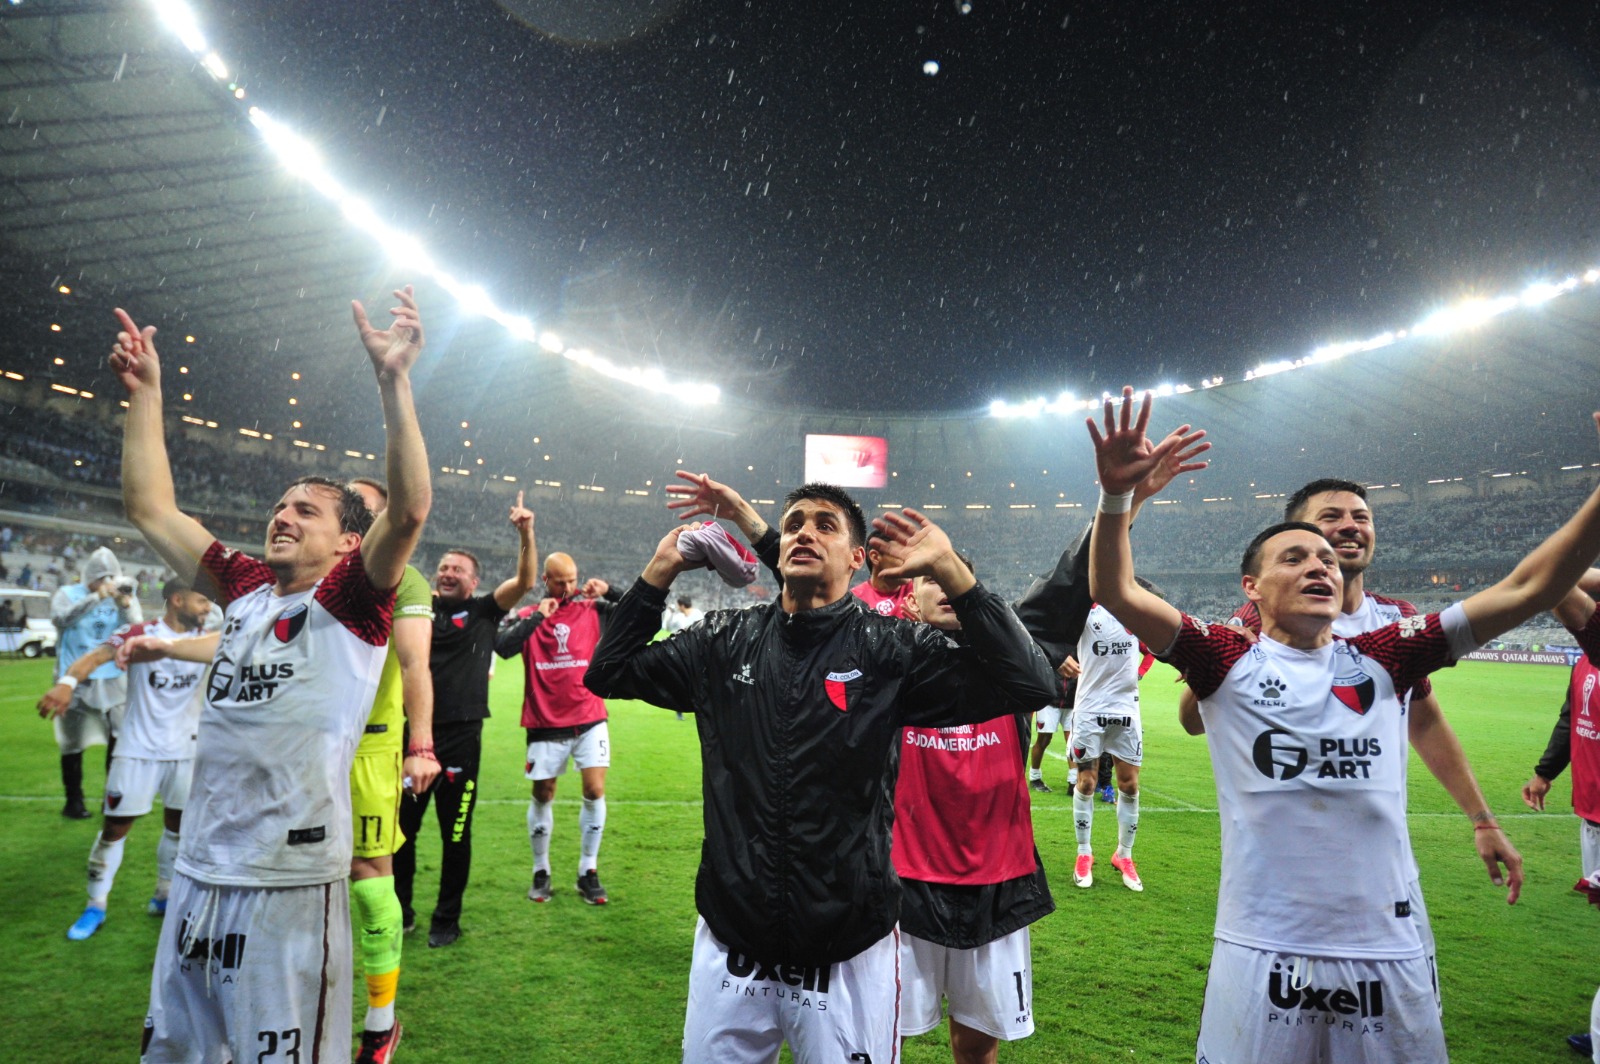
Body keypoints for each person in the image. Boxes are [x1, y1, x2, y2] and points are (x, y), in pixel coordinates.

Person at [1086, 386, 1600, 1064]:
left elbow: (1529, 589)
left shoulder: (1389, 651)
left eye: (1326, 558)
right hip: (1262, 945)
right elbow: (1117, 591)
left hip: (1386, 946)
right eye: (1295, 557)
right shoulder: (1223, 653)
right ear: (1251, 587)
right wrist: (1117, 500)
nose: (1320, 565)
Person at [585, 483, 1061, 1064]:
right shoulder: (722, 641)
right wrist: (660, 569)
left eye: (826, 525)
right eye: (793, 524)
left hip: (848, 946)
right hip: (733, 940)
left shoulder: (891, 651)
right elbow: (606, 672)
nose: (804, 532)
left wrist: (953, 572)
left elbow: (1034, 684)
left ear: (858, 559)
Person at [112, 287, 431, 1064]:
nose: (281, 516)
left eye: (306, 512)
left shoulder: (352, 601)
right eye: (280, 506)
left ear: (348, 545)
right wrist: (148, 395)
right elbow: (151, 508)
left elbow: (412, 510)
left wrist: (393, 381)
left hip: (289, 883)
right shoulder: (249, 587)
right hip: (198, 872)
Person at [1179, 478, 1524, 901]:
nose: (1350, 526)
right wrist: (1228, 652)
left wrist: (1482, 818)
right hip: (1286, 863)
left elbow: (1425, 720)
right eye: (1330, 517)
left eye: (1361, 517)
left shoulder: (1396, 617)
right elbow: (1193, 721)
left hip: (1375, 861)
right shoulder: (1261, 615)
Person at [895, 560, 1054, 1064]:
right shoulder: (888, 661)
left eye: (952, 577)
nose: (941, 587)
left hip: (997, 882)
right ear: (911, 597)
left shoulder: (1014, 666)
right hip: (902, 883)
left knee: (977, 1043)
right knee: (877, 1035)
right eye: (928, 580)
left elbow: (1065, 594)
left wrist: (1120, 505)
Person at [396, 494, 538, 948]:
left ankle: (446, 919)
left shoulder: (482, 611)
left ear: (474, 581)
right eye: (443, 566)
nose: (447, 572)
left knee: (456, 834)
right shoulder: (414, 609)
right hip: (409, 737)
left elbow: (526, 580)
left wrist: (525, 533)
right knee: (401, 832)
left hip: (461, 739)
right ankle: (401, 912)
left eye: (458, 569)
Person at [38, 579, 212, 939]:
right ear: (177, 600)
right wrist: (67, 684)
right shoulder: (136, 633)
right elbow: (95, 657)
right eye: (201, 601)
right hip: (137, 751)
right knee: (114, 830)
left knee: (178, 827)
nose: (207, 608)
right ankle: (95, 905)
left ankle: (164, 894)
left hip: (187, 750)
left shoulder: (206, 638)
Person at [345, 477, 441, 1063]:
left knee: (368, 873)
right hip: (298, 747)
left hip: (367, 749)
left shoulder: (402, 578)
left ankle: (380, 1023)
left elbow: (414, 663)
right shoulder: (301, 573)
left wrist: (421, 744)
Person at [494, 552, 616, 906]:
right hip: (545, 722)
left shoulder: (593, 609)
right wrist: (537, 620)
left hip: (590, 716)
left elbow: (639, 616)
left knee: (595, 790)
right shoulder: (530, 615)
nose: (567, 587)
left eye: (572, 580)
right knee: (544, 793)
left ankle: (587, 871)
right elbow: (501, 647)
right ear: (545, 580)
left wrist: (610, 591)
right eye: (560, 581)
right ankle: (541, 869)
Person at [1522, 576, 1600, 1059]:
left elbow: (1555, 578)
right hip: (1591, 814)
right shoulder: (1585, 662)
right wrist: (1544, 772)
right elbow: (1572, 717)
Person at [1069, 595, 1156, 892]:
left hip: (1125, 711)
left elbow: (1156, 648)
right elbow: (1051, 633)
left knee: (1130, 785)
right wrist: (1057, 657)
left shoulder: (1136, 613)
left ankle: (1124, 855)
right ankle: (1084, 853)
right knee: (1086, 783)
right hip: (1089, 710)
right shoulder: (1084, 609)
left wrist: (1145, 671)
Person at [48, 546, 141, 818]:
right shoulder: (67, 594)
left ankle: (110, 799)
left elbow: (134, 627)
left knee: (119, 738)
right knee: (71, 741)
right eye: (101, 577)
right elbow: (60, 619)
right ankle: (73, 800)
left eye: (110, 577)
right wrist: (95, 597)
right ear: (88, 576)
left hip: (113, 676)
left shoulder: (124, 595)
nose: (107, 582)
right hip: (74, 677)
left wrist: (123, 604)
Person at [1026, 658, 1077, 793]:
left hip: (1073, 700)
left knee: (1072, 741)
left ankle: (1073, 782)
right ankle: (1035, 777)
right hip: (1050, 700)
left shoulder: (1078, 644)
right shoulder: (1050, 644)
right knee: (1044, 740)